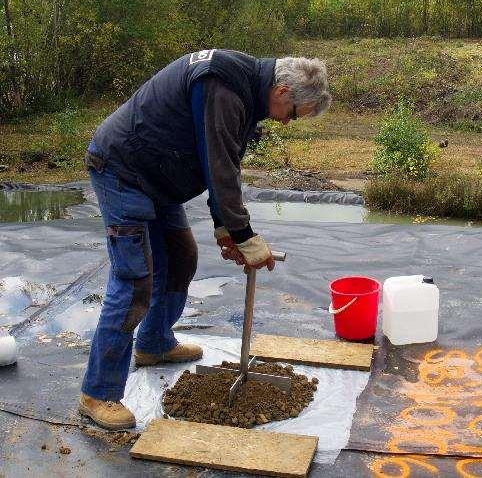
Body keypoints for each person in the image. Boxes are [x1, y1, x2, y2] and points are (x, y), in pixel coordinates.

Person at [78, 50, 331, 429]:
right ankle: (98, 392)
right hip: (123, 171)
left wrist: (224, 227)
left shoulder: (245, 93)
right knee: (134, 281)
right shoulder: (225, 86)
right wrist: (244, 236)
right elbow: (220, 167)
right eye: (294, 113)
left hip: (158, 179)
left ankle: (154, 344)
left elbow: (221, 161)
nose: (289, 121)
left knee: (181, 258)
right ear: (282, 91)